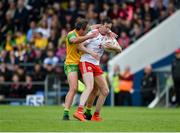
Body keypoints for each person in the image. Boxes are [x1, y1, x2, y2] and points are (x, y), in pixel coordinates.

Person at [73, 17, 121, 122]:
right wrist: (91, 53)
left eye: (110, 28)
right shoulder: (93, 33)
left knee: (105, 91)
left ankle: (96, 115)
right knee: (90, 87)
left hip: (96, 64)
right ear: (101, 25)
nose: (108, 29)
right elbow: (79, 46)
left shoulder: (109, 36)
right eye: (106, 27)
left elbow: (119, 49)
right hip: (86, 61)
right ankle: (79, 111)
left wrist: (111, 47)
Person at [63, 18, 99, 120]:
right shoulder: (72, 34)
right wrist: (90, 36)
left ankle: (87, 112)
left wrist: (107, 30)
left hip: (82, 64)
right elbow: (74, 41)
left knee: (93, 88)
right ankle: (66, 113)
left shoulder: (84, 31)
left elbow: (95, 26)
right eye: (86, 29)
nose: (88, 30)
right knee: (74, 88)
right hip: (71, 64)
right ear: (81, 29)